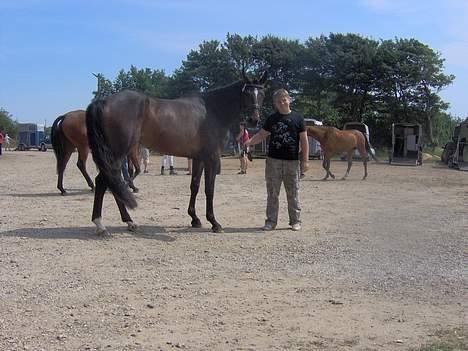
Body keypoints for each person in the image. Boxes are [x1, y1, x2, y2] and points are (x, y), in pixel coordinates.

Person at [246, 88, 309, 231]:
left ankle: (295, 221)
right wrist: (249, 142)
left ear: (289, 100)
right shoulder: (272, 119)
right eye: (278, 101)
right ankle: (271, 222)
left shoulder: (298, 118)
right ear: (275, 104)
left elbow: (304, 141)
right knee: (272, 193)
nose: (282, 103)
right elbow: (262, 135)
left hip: (292, 161)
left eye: (284, 100)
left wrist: (305, 161)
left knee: (293, 192)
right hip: (273, 161)